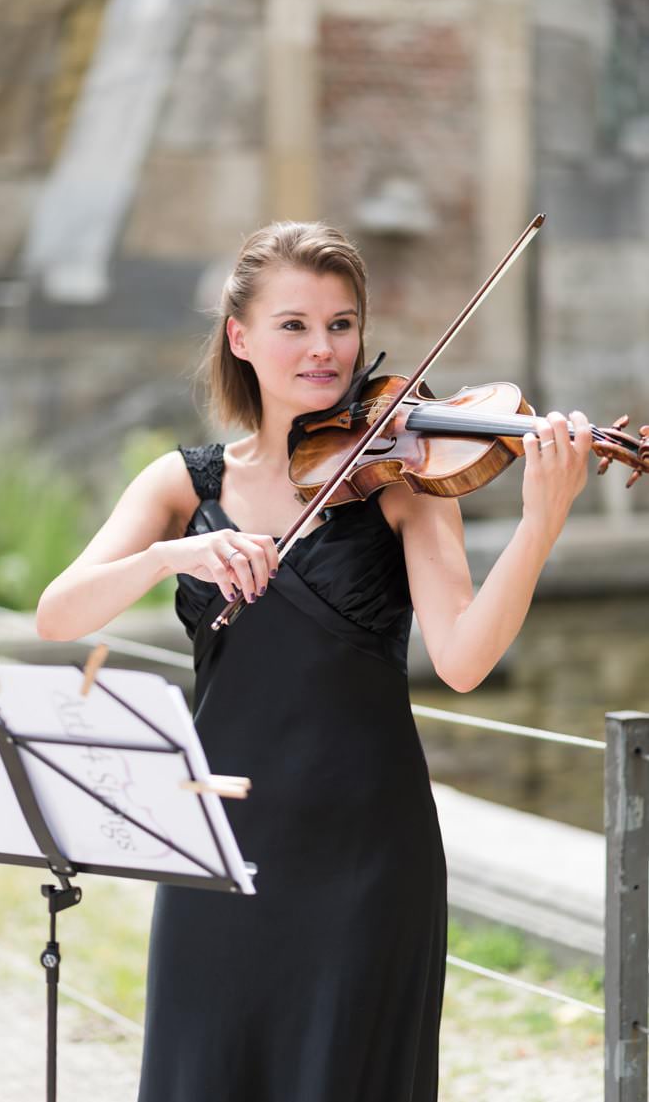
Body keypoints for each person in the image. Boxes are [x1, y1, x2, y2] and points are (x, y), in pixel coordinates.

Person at [34, 220, 595, 1102]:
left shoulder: (404, 481)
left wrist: (539, 524)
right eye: (293, 324)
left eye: (341, 323)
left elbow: (461, 659)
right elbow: (57, 611)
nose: (324, 348)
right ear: (241, 337)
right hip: (219, 852)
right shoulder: (185, 485)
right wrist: (170, 557)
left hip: (368, 860)